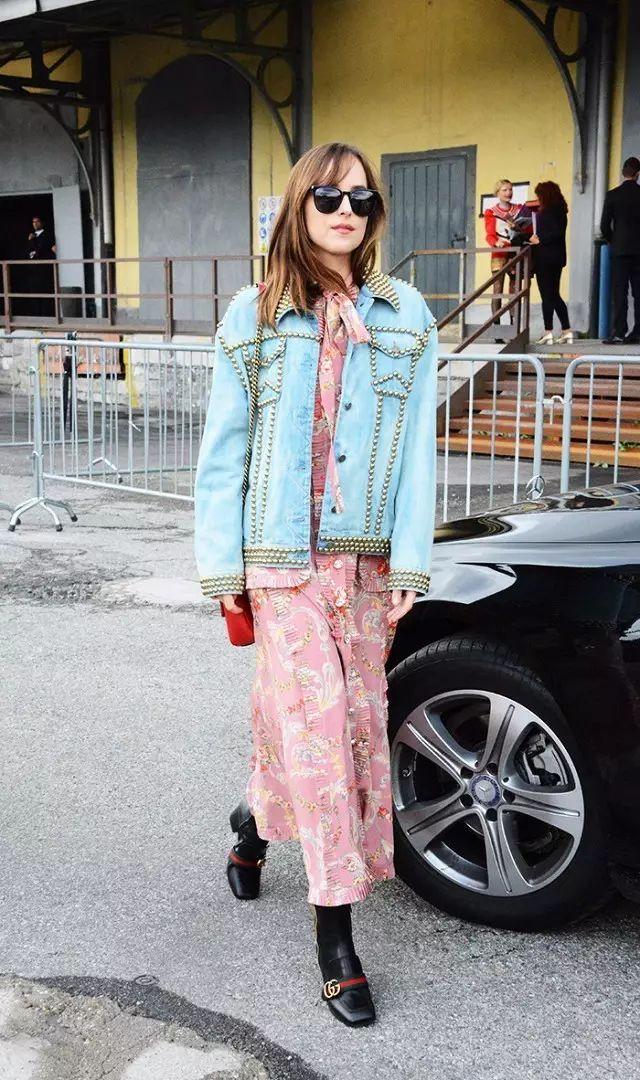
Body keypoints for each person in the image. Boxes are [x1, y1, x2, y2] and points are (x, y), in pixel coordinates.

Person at [194, 142, 438, 1027]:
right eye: (329, 197)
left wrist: (410, 560)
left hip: (364, 562)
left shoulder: (407, 316)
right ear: (299, 206)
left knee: (347, 726)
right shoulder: (253, 315)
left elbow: (418, 450)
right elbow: (223, 453)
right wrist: (222, 567)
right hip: (280, 561)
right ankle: (336, 940)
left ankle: (252, 824)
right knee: (320, 729)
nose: (346, 212)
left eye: (362, 199)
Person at [600, 156, 640, 345]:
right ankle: (638, 331)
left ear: (623, 173)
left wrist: (613, 240)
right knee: (639, 293)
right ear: (638, 174)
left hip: (619, 251)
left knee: (620, 292)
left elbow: (604, 225)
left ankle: (619, 332)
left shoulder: (612, 195)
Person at [528, 181, 573, 346]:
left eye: (539, 195)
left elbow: (554, 233)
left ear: (545, 195)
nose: (538, 198)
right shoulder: (560, 210)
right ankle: (566, 330)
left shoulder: (547, 212)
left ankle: (548, 332)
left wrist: (539, 240)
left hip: (545, 258)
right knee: (554, 295)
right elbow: (558, 233)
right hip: (557, 258)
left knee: (547, 296)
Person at [484, 179, 526, 333]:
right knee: (498, 289)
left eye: (510, 189)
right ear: (497, 193)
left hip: (515, 251)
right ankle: (497, 329)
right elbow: (489, 235)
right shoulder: (491, 212)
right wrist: (496, 242)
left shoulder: (519, 209)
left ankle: (514, 328)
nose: (508, 193)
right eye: (505, 190)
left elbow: (526, 231)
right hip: (500, 253)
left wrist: (518, 228)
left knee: (515, 290)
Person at [27, 215, 56, 317]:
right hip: (33, 271)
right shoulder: (32, 236)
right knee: (35, 295)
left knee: (44, 294)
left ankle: (45, 317)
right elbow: (28, 253)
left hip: (43, 270)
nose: (35, 224)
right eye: (33, 222)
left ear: (42, 223)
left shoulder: (46, 235)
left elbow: (39, 251)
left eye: (37, 221)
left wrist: (32, 241)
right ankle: (36, 317)